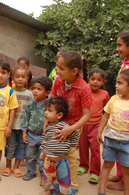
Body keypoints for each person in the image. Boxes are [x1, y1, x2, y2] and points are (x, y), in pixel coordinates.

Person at [51, 50, 93, 194]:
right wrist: (49, 122)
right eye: (57, 66)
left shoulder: (84, 88)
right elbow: (53, 103)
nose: (57, 70)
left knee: (70, 155)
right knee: (56, 152)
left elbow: (87, 115)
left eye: (61, 68)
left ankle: (72, 186)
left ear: (74, 71)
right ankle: (57, 182)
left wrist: (71, 129)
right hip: (59, 122)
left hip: (75, 125)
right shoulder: (57, 81)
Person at [97, 69, 129, 195]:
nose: (116, 86)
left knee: (127, 170)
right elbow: (105, 116)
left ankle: (127, 193)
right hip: (110, 140)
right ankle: (101, 191)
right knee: (107, 165)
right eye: (116, 82)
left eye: (120, 83)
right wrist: (99, 132)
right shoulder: (114, 99)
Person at [107, 30, 129, 191]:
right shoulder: (126, 62)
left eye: (120, 45)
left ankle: (127, 181)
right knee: (119, 143)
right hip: (121, 109)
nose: (117, 49)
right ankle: (121, 175)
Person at [40, 97, 79, 195]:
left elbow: (75, 135)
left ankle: (63, 192)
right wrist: (43, 151)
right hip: (49, 160)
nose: (46, 113)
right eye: (46, 110)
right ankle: (49, 190)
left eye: (49, 111)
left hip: (62, 161)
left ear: (59, 115)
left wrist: (70, 146)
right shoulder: (48, 126)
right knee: (48, 177)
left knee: (64, 178)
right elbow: (45, 139)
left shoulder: (64, 126)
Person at [77, 68, 110, 184]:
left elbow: (108, 109)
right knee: (82, 146)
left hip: (96, 125)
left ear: (103, 82)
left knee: (95, 149)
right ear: (88, 80)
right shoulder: (83, 91)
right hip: (83, 124)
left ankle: (95, 172)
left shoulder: (105, 94)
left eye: (99, 80)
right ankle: (83, 165)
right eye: (93, 79)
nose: (95, 82)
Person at [2, 66, 33, 178]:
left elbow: (31, 110)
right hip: (11, 125)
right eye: (17, 76)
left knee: (21, 147)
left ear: (27, 79)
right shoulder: (9, 91)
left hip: (24, 127)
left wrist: (29, 126)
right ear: (13, 77)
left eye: (23, 77)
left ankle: (16, 167)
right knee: (10, 146)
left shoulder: (29, 94)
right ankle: (8, 165)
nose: (20, 79)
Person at [21, 77, 52, 181]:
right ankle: (31, 171)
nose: (35, 91)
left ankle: (44, 174)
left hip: (44, 136)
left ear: (47, 92)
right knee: (29, 155)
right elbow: (25, 117)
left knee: (42, 156)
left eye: (39, 89)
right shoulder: (30, 104)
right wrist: (24, 132)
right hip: (31, 134)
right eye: (33, 88)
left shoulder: (50, 106)